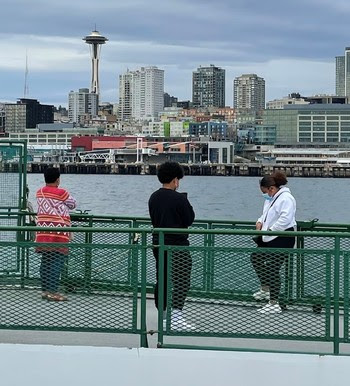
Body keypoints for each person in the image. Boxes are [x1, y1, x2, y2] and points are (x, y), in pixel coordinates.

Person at [148, 162, 195, 329]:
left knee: (162, 278)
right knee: (182, 279)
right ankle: (176, 316)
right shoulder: (179, 198)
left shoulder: (154, 197)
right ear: (175, 180)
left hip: (158, 243)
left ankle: (162, 314)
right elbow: (189, 219)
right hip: (178, 245)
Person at [251, 171, 296, 314]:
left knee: (273, 268)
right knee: (256, 257)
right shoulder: (272, 198)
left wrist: (270, 229)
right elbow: (267, 214)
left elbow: (285, 219)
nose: (265, 195)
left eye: (265, 191)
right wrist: (259, 221)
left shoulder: (286, 198)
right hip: (269, 236)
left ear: (271, 188)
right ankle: (265, 288)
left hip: (282, 237)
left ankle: (274, 302)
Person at [35, 167, 77, 301]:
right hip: (59, 232)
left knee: (46, 261)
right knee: (57, 262)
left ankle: (45, 291)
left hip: (42, 232)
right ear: (58, 179)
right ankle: (53, 292)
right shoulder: (62, 192)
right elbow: (73, 204)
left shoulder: (39, 192)